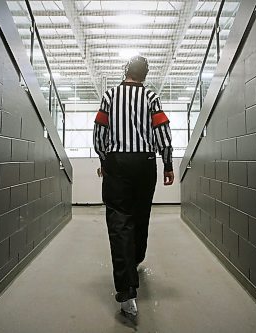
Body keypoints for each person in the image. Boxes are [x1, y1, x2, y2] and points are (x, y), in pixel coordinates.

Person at [93, 55, 174, 317]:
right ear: (145, 75)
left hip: (117, 163)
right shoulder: (151, 97)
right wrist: (168, 164)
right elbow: (163, 132)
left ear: (126, 70)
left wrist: (104, 160)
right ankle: (136, 258)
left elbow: (99, 133)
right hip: (145, 163)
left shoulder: (109, 95)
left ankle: (126, 291)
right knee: (140, 217)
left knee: (119, 222)